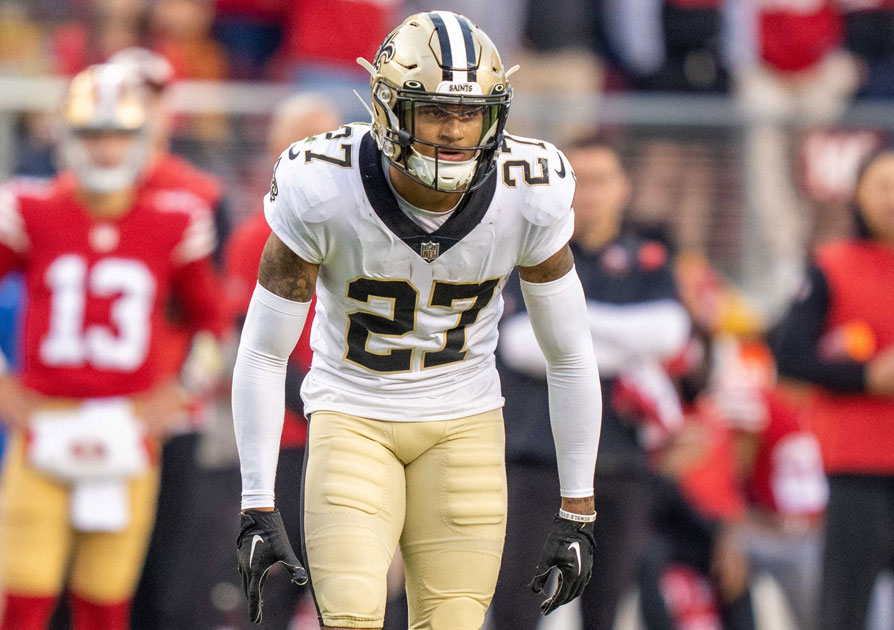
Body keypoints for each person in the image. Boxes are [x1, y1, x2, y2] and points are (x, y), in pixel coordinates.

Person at [230, 12, 602, 630]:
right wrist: (256, 501)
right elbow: (265, 351)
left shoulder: (529, 186)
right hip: (352, 412)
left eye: (470, 113)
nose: (455, 132)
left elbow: (570, 354)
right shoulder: (322, 182)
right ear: (387, 109)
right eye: (433, 111)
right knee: (350, 619)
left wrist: (578, 508)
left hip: (465, 423)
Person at [0, 62, 226, 630]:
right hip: (45, 421)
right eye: (92, 134)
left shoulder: (178, 219)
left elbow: (211, 324)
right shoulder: (32, 209)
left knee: (106, 604)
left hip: (129, 430)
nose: (105, 150)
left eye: (119, 134)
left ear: (144, 138)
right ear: (68, 137)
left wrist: (178, 394)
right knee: (24, 601)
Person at [492, 138, 690, 630]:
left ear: (624, 188)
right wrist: (624, 339)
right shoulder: (529, 252)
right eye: (576, 180)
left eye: (601, 179)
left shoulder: (648, 259)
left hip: (621, 464)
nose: (589, 193)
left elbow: (669, 334)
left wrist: (570, 330)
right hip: (537, 462)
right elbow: (519, 345)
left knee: (607, 611)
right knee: (518, 605)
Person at [770, 149, 894, 630]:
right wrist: (868, 376)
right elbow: (791, 360)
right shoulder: (830, 266)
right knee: (843, 610)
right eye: (882, 185)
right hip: (855, 469)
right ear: (858, 195)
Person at [222, 93, 341, 630]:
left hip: (351, 429)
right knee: (276, 586)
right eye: (304, 143)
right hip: (288, 439)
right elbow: (245, 341)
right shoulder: (257, 237)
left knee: (351, 588)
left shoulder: (359, 232)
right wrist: (320, 402)